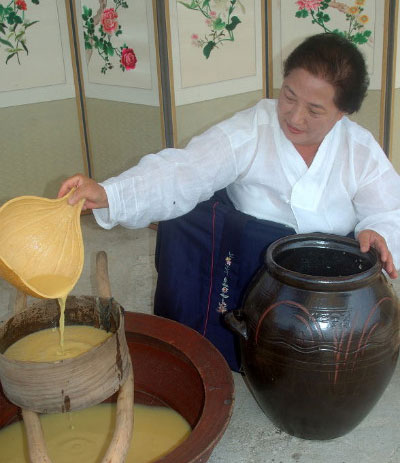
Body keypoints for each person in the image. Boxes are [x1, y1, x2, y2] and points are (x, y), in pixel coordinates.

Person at [59, 33, 400, 369]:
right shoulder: (253, 128)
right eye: (289, 96)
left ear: (343, 113)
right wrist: (110, 194)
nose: (295, 118)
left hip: (329, 276)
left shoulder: (358, 148)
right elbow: (185, 170)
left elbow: (389, 207)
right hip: (253, 260)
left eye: (314, 110)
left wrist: (377, 230)